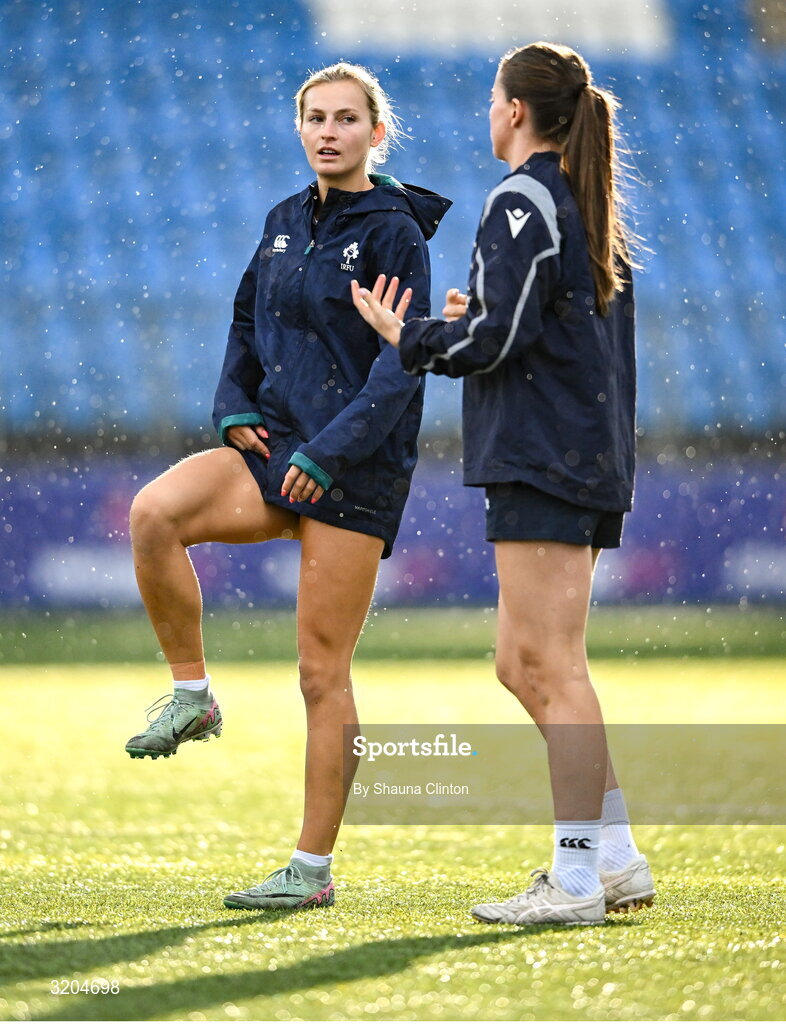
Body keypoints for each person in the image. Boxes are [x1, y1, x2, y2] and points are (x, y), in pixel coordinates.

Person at [125, 62, 450, 912]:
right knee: (153, 512)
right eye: (316, 117)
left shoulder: (393, 233)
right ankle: (192, 696)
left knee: (319, 672)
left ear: (378, 133)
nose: (329, 131)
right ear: (300, 127)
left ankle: (310, 872)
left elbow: (402, 366)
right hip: (274, 449)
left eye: (347, 118)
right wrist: (232, 407)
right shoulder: (280, 221)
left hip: (357, 466)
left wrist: (332, 453)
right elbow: (244, 322)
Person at [352, 42, 654, 926]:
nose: (488, 112)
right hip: (569, 452)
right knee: (520, 664)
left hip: (548, 455)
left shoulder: (524, 196)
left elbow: (492, 343)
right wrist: (469, 321)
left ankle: (573, 882)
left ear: (517, 111)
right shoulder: (580, 202)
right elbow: (526, 327)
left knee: (553, 668)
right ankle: (616, 855)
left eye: (493, 97)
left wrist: (407, 337)